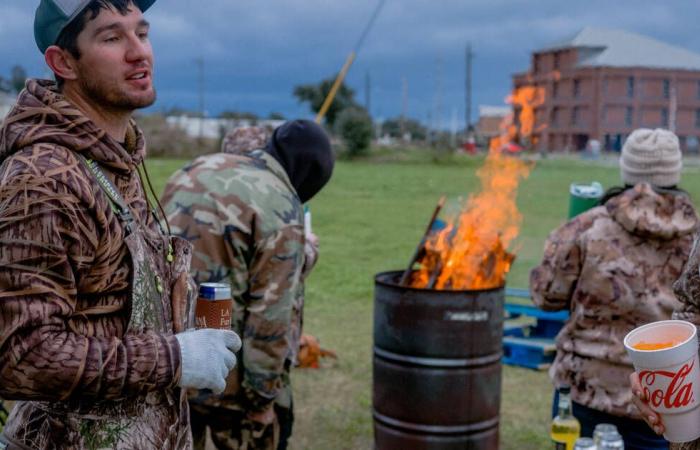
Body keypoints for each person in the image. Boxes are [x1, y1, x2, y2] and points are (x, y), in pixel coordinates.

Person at [0, 1, 241, 448]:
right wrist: (174, 358)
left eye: (142, 33)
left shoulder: (116, 162)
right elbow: (19, 356)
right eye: (112, 38)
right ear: (63, 62)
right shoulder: (43, 178)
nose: (139, 52)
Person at [161, 121, 334, 450]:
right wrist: (262, 398)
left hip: (173, 363)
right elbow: (271, 315)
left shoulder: (194, 168)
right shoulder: (281, 203)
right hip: (231, 383)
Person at [530, 128, 699, 450]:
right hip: (668, 395)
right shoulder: (696, 237)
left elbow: (545, 295)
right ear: (674, 170)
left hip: (588, 392)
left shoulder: (586, 227)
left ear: (628, 169)